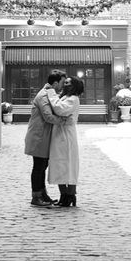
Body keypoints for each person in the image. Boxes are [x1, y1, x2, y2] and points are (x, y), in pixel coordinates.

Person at [24, 70, 66, 207]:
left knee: (42, 166)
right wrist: (64, 120)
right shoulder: (43, 95)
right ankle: (36, 196)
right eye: (62, 83)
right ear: (55, 83)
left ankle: (42, 194)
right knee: (38, 167)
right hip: (39, 137)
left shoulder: (49, 94)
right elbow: (48, 116)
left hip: (43, 137)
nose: (63, 86)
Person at [47, 76, 82, 207]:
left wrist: (51, 93)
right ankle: (64, 195)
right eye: (64, 82)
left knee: (69, 165)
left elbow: (59, 109)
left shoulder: (73, 99)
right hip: (59, 134)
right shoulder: (65, 97)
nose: (65, 85)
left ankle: (70, 195)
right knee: (59, 165)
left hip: (66, 135)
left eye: (68, 83)